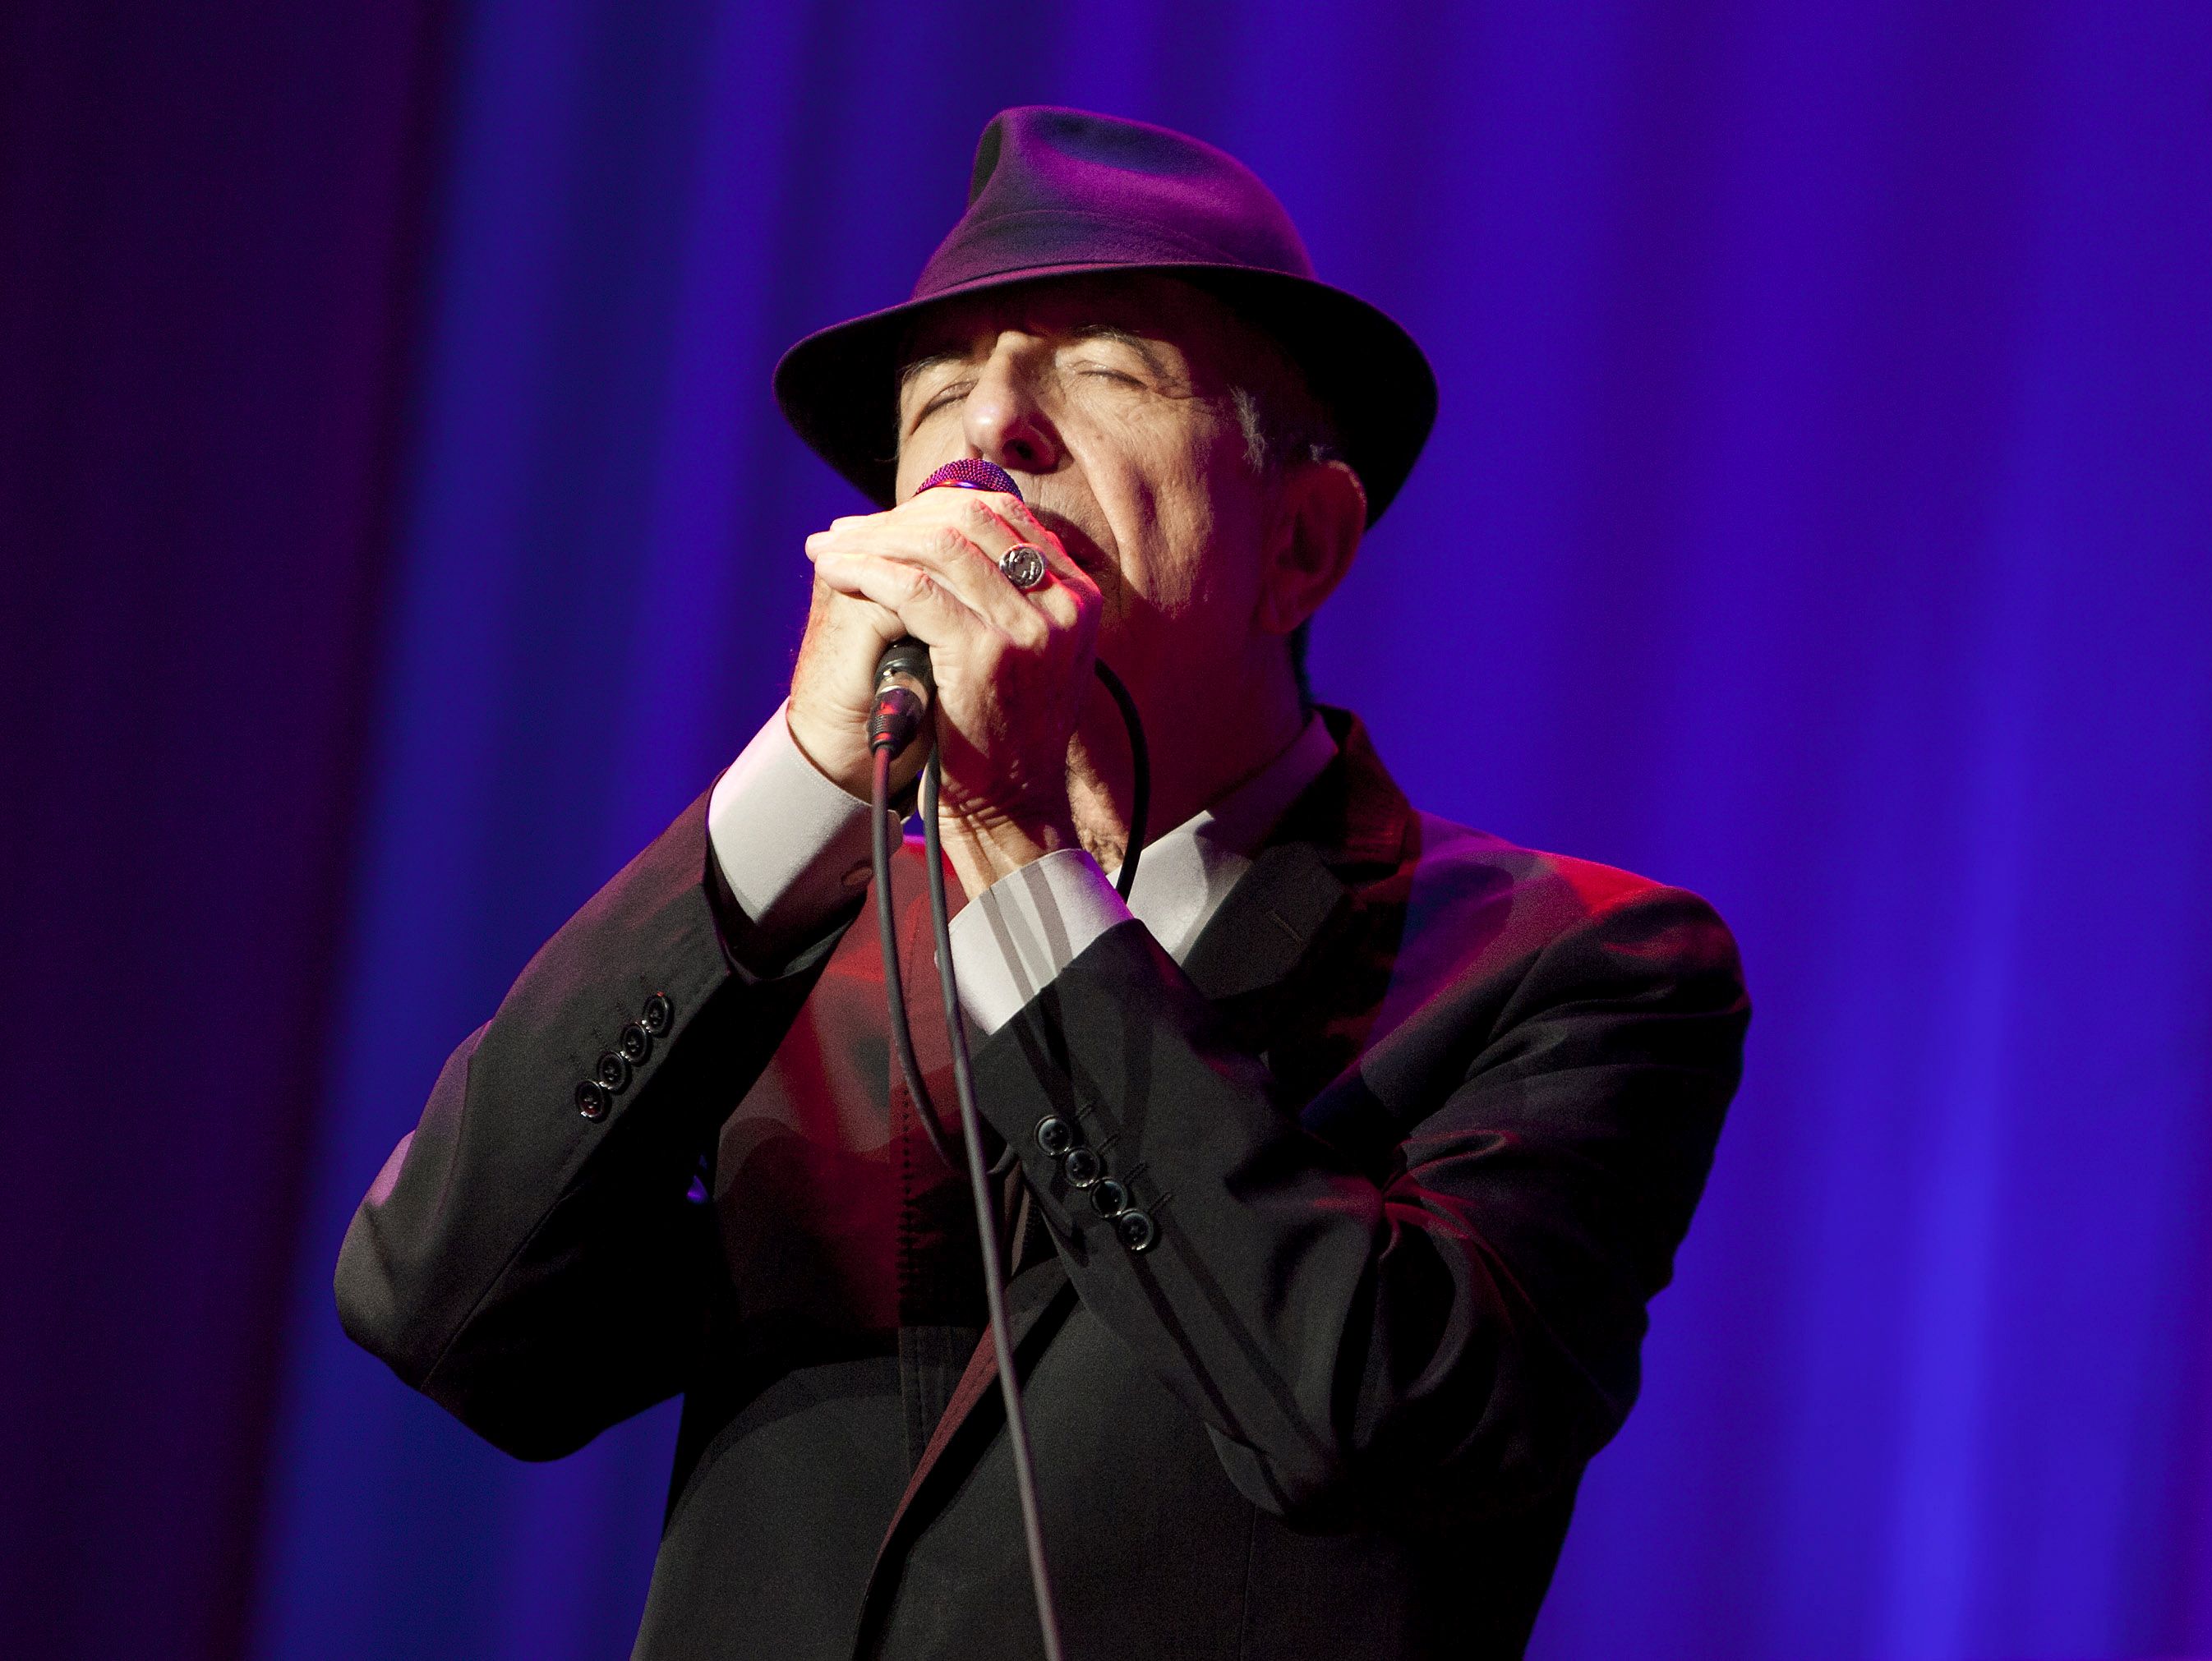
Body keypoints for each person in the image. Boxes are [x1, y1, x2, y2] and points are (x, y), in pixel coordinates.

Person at [337, 107, 1749, 1661]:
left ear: (1303, 544)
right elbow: (448, 1312)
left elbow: (1380, 1421)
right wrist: (805, 784)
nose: (984, 432)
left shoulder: (1567, 966)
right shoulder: (803, 946)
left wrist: (1018, 854)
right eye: (939, 394)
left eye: (1105, 369)